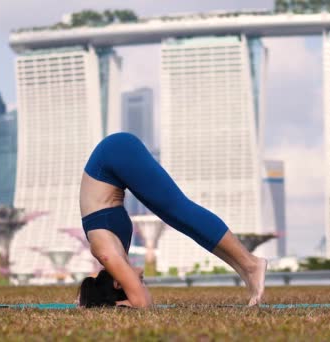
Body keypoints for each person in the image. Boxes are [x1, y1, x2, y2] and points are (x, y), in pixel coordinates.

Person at [78, 132, 267, 308]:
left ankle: (251, 265)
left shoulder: (107, 253)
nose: (142, 279)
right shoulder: (115, 253)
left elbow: (143, 303)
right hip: (112, 161)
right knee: (176, 217)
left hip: (115, 153)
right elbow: (95, 294)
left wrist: (118, 305)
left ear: (118, 283)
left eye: (139, 282)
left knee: (178, 209)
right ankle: (245, 270)